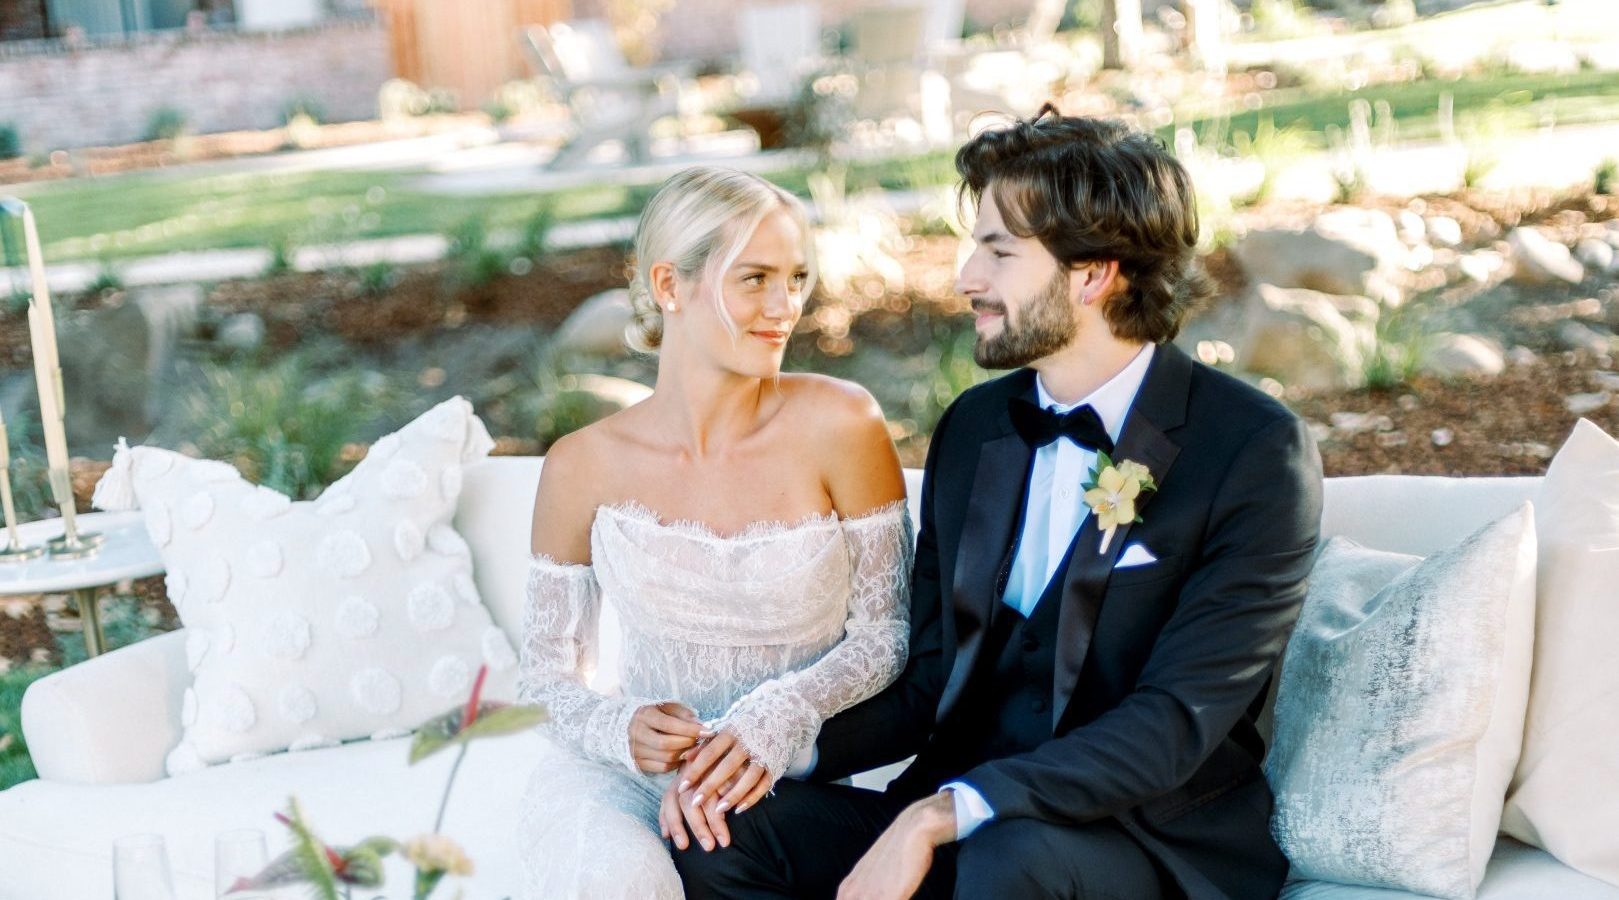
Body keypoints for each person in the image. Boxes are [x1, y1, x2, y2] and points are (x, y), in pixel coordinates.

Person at [672, 107, 1325, 900]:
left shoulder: (1252, 450)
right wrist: (773, 745)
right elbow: (929, 679)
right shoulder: (976, 429)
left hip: (1143, 843)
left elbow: (1174, 721)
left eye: (998, 251)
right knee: (725, 832)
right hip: (964, 817)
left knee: (1009, 858)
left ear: (1092, 275)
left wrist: (945, 813)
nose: (966, 278)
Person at [516, 166, 913, 899]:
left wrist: (781, 713)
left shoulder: (842, 424)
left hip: (781, 784)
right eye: (754, 279)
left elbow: (886, 635)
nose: (784, 308)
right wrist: (619, 728)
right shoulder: (581, 465)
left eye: (796, 279)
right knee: (622, 881)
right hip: (624, 780)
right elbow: (544, 679)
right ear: (669, 285)